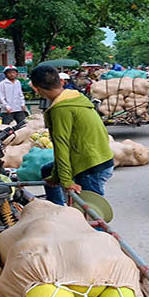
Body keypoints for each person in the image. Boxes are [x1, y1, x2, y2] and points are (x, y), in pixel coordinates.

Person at [29, 65, 114, 206]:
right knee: (47, 170)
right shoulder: (75, 97)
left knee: (90, 214)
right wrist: (56, 176)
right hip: (100, 157)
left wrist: (67, 181)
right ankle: (58, 210)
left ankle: (72, 217)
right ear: (60, 81)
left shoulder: (61, 109)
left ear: (36, 89)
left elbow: (61, 146)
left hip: (90, 166)